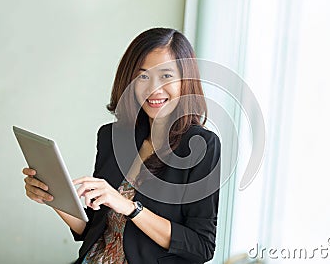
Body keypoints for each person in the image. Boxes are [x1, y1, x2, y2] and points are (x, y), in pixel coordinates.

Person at [22, 27, 221, 264]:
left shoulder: (202, 146)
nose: (154, 89)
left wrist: (130, 208)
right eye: (143, 76)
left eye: (166, 76)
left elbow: (201, 247)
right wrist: (53, 197)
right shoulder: (111, 137)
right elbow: (92, 230)